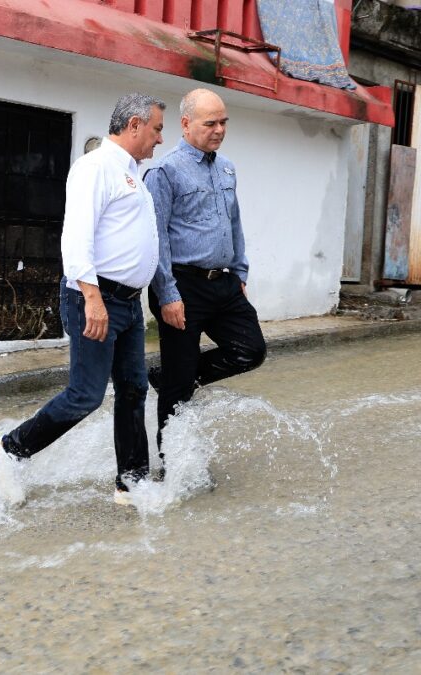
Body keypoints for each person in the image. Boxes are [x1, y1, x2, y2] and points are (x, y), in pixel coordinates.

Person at [0, 92, 165, 506]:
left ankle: (132, 481)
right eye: (157, 128)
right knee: (85, 394)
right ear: (135, 125)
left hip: (126, 301)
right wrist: (92, 296)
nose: (160, 138)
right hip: (97, 296)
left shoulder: (132, 175)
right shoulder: (95, 167)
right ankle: (11, 449)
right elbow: (76, 237)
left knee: (133, 388)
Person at [144, 89, 267, 476]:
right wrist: (167, 293)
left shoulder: (227, 168)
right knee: (180, 388)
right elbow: (157, 237)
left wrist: (240, 272)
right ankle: (173, 465)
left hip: (224, 283)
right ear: (186, 124)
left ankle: (167, 377)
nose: (219, 130)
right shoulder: (166, 171)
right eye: (210, 123)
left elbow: (235, 223)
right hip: (182, 284)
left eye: (223, 122)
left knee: (251, 350)